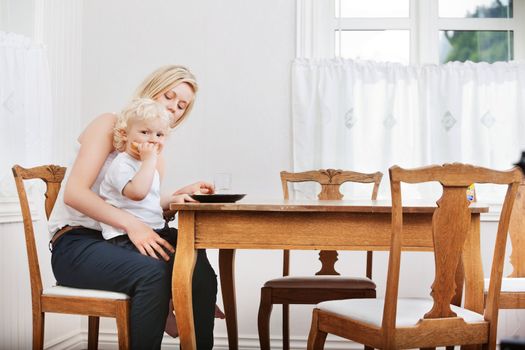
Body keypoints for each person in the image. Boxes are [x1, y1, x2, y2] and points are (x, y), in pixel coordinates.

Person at [48, 65, 217, 349]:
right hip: (77, 243)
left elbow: (141, 203)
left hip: (118, 240)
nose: (173, 107)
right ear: (151, 90)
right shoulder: (109, 125)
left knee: (197, 266)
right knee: (154, 273)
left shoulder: (155, 152)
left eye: (181, 106)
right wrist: (132, 225)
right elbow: (74, 194)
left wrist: (174, 199)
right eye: (169, 96)